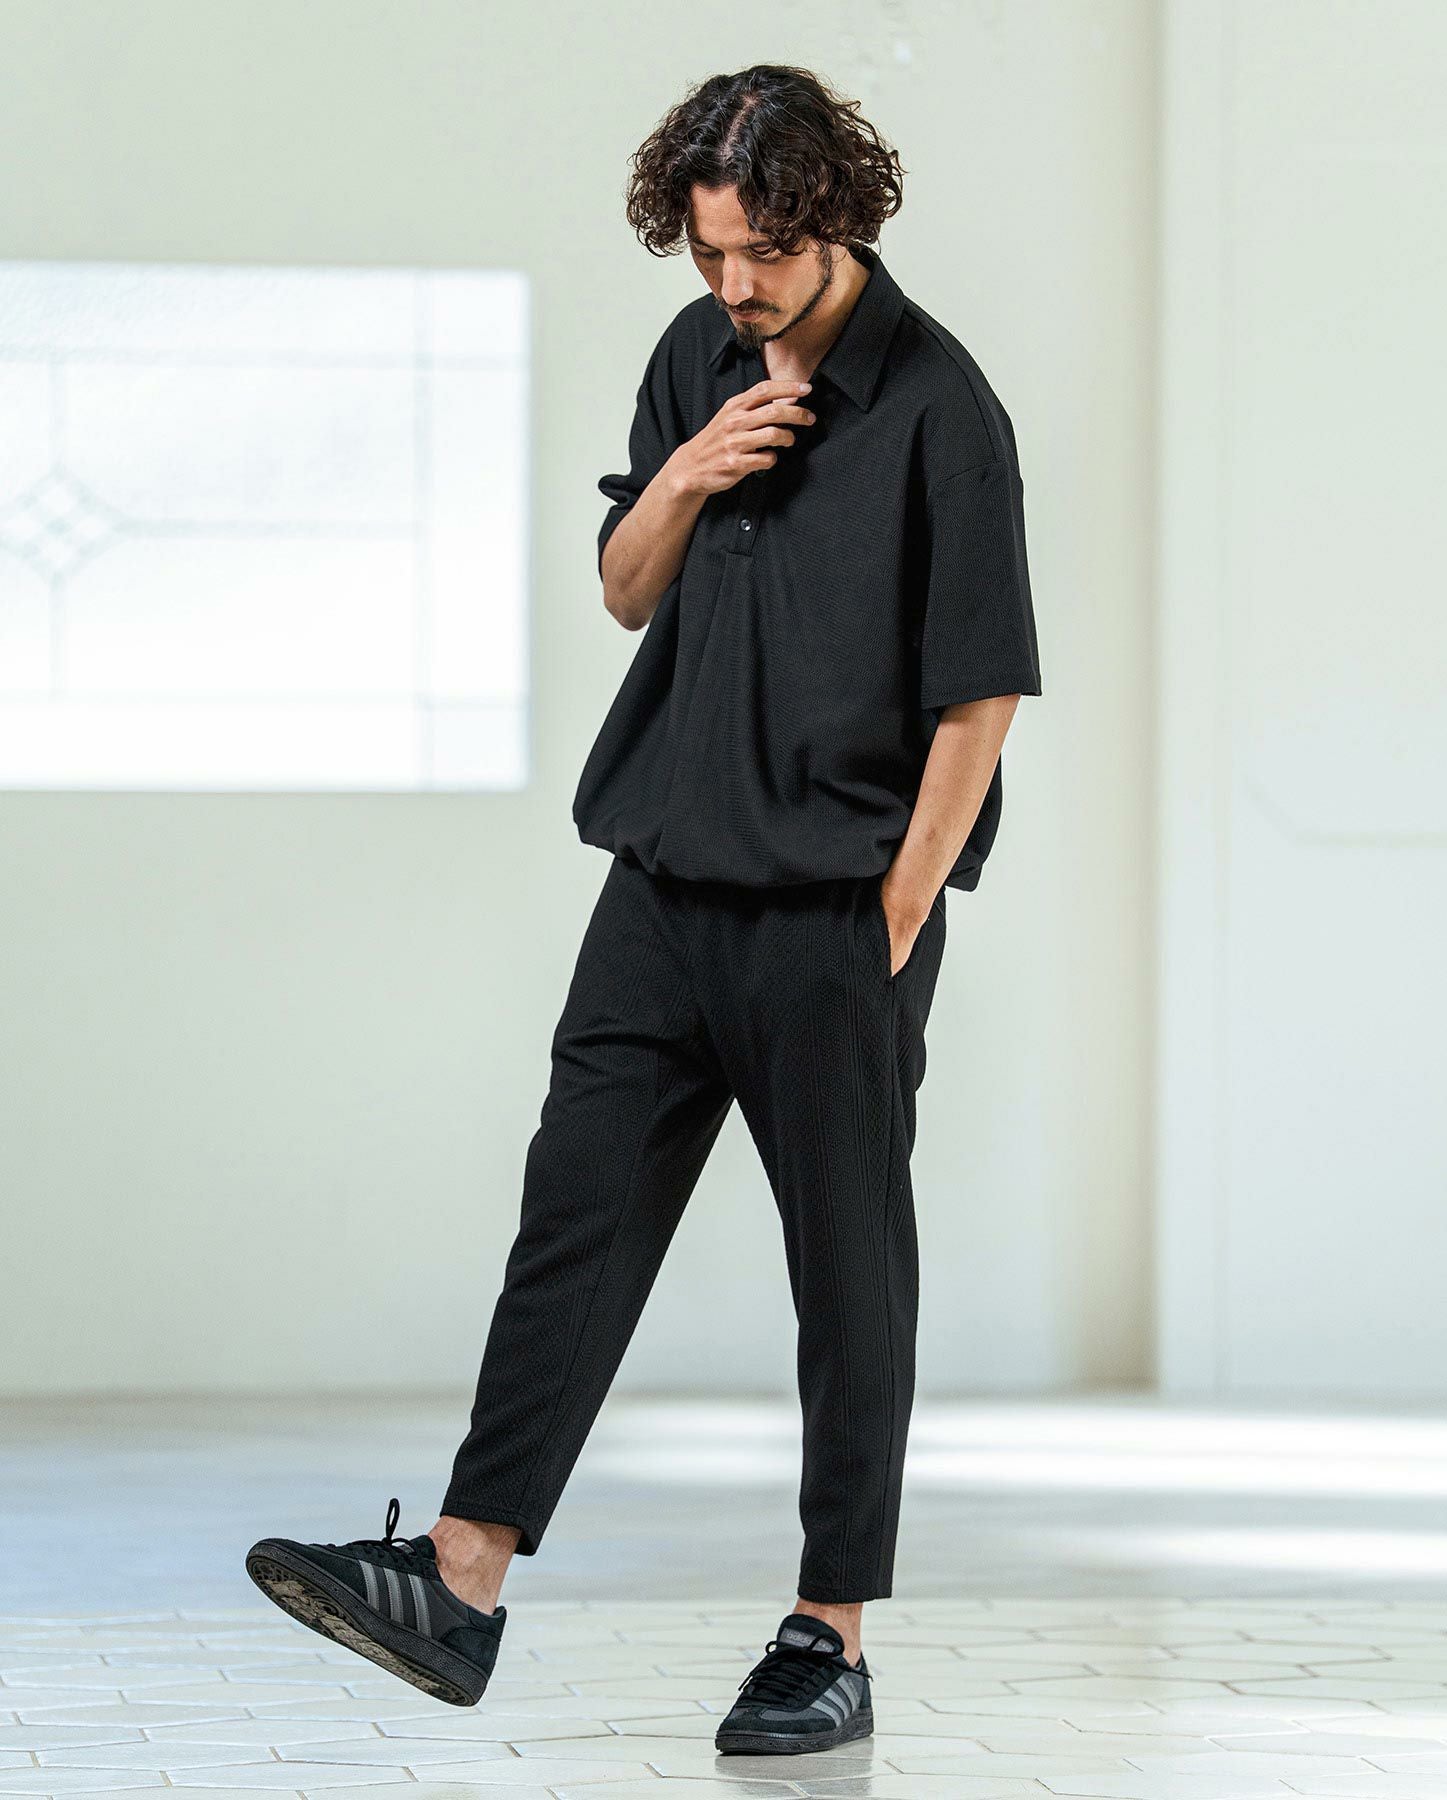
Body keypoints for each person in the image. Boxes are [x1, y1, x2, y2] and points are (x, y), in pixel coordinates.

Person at [245, 62, 1041, 1757]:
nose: (736, 285)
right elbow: (624, 593)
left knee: (846, 1270)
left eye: (766, 254)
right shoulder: (697, 359)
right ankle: (460, 1581)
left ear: (840, 219)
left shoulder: (942, 409)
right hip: (662, 882)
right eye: (710, 253)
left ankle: (830, 1636)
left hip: (833, 912)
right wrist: (687, 471)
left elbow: (980, 703)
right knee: (574, 1218)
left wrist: (894, 918)